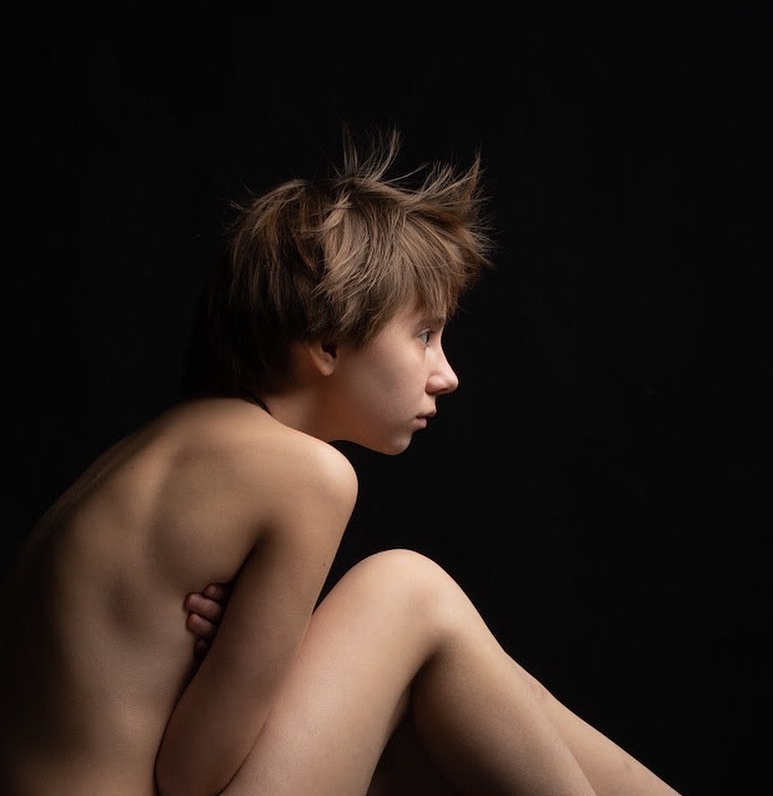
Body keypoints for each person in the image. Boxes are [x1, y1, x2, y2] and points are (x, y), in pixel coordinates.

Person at [0, 128, 682, 796]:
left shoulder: (165, 448)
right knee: (408, 590)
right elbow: (190, 775)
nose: (446, 374)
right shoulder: (308, 475)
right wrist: (269, 644)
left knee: (450, 708)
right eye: (424, 334)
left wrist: (248, 647)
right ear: (327, 343)